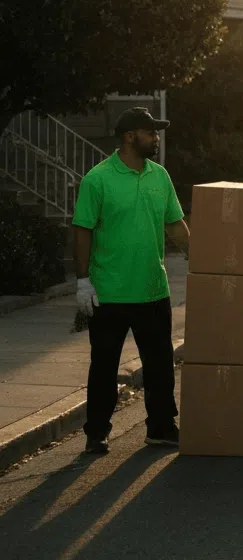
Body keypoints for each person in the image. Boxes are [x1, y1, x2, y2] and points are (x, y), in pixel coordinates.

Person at [74, 107, 190, 455]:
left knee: (159, 367)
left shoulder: (160, 176)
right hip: (109, 293)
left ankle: (161, 427)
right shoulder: (98, 179)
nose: (156, 137)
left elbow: (174, 224)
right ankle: (97, 432)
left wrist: (199, 259)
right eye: (150, 132)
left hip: (153, 289)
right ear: (129, 137)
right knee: (104, 368)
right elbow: (82, 230)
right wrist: (83, 282)